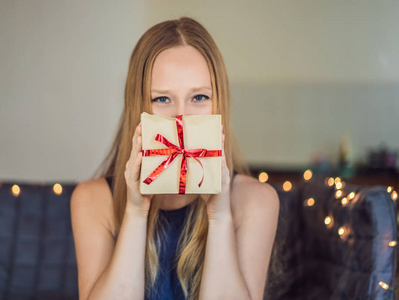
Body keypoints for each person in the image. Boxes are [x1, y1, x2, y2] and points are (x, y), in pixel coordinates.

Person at [70, 17, 279, 300]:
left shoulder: (257, 201)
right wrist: (135, 211)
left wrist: (219, 216)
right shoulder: (92, 200)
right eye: (162, 100)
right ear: (139, 107)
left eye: (200, 97)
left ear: (220, 104)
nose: (182, 118)